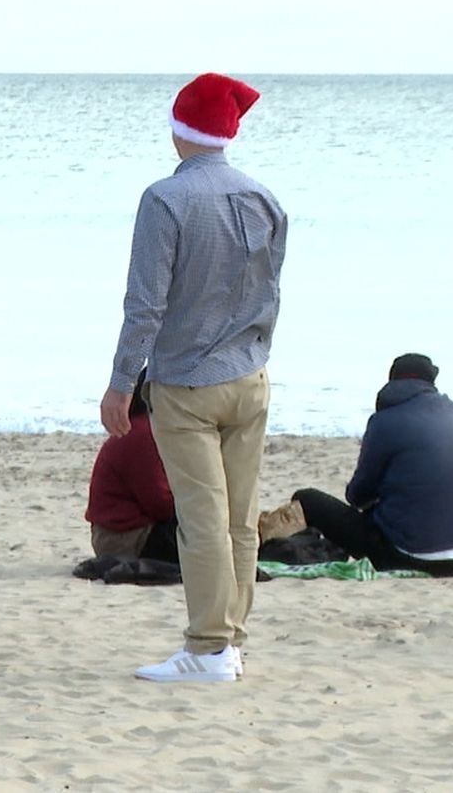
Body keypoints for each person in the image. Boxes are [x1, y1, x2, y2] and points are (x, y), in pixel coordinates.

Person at [101, 73, 286, 684]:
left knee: (204, 519)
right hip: (250, 374)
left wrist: (122, 383)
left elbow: (146, 304)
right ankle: (229, 640)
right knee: (240, 518)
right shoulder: (265, 200)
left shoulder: (165, 200)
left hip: (187, 381)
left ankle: (209, 647)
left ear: (180, 132)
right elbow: (268, 295)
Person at [288, 354, 453, 577]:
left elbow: (357, 495)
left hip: (410, 554)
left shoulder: (384, 421)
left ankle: (298, 550)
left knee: (307, 499)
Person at [85, 370, 177, 563]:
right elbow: (159, 503)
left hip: (116, 535)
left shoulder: (137, 428)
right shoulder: (143, 434)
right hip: (126, 539)